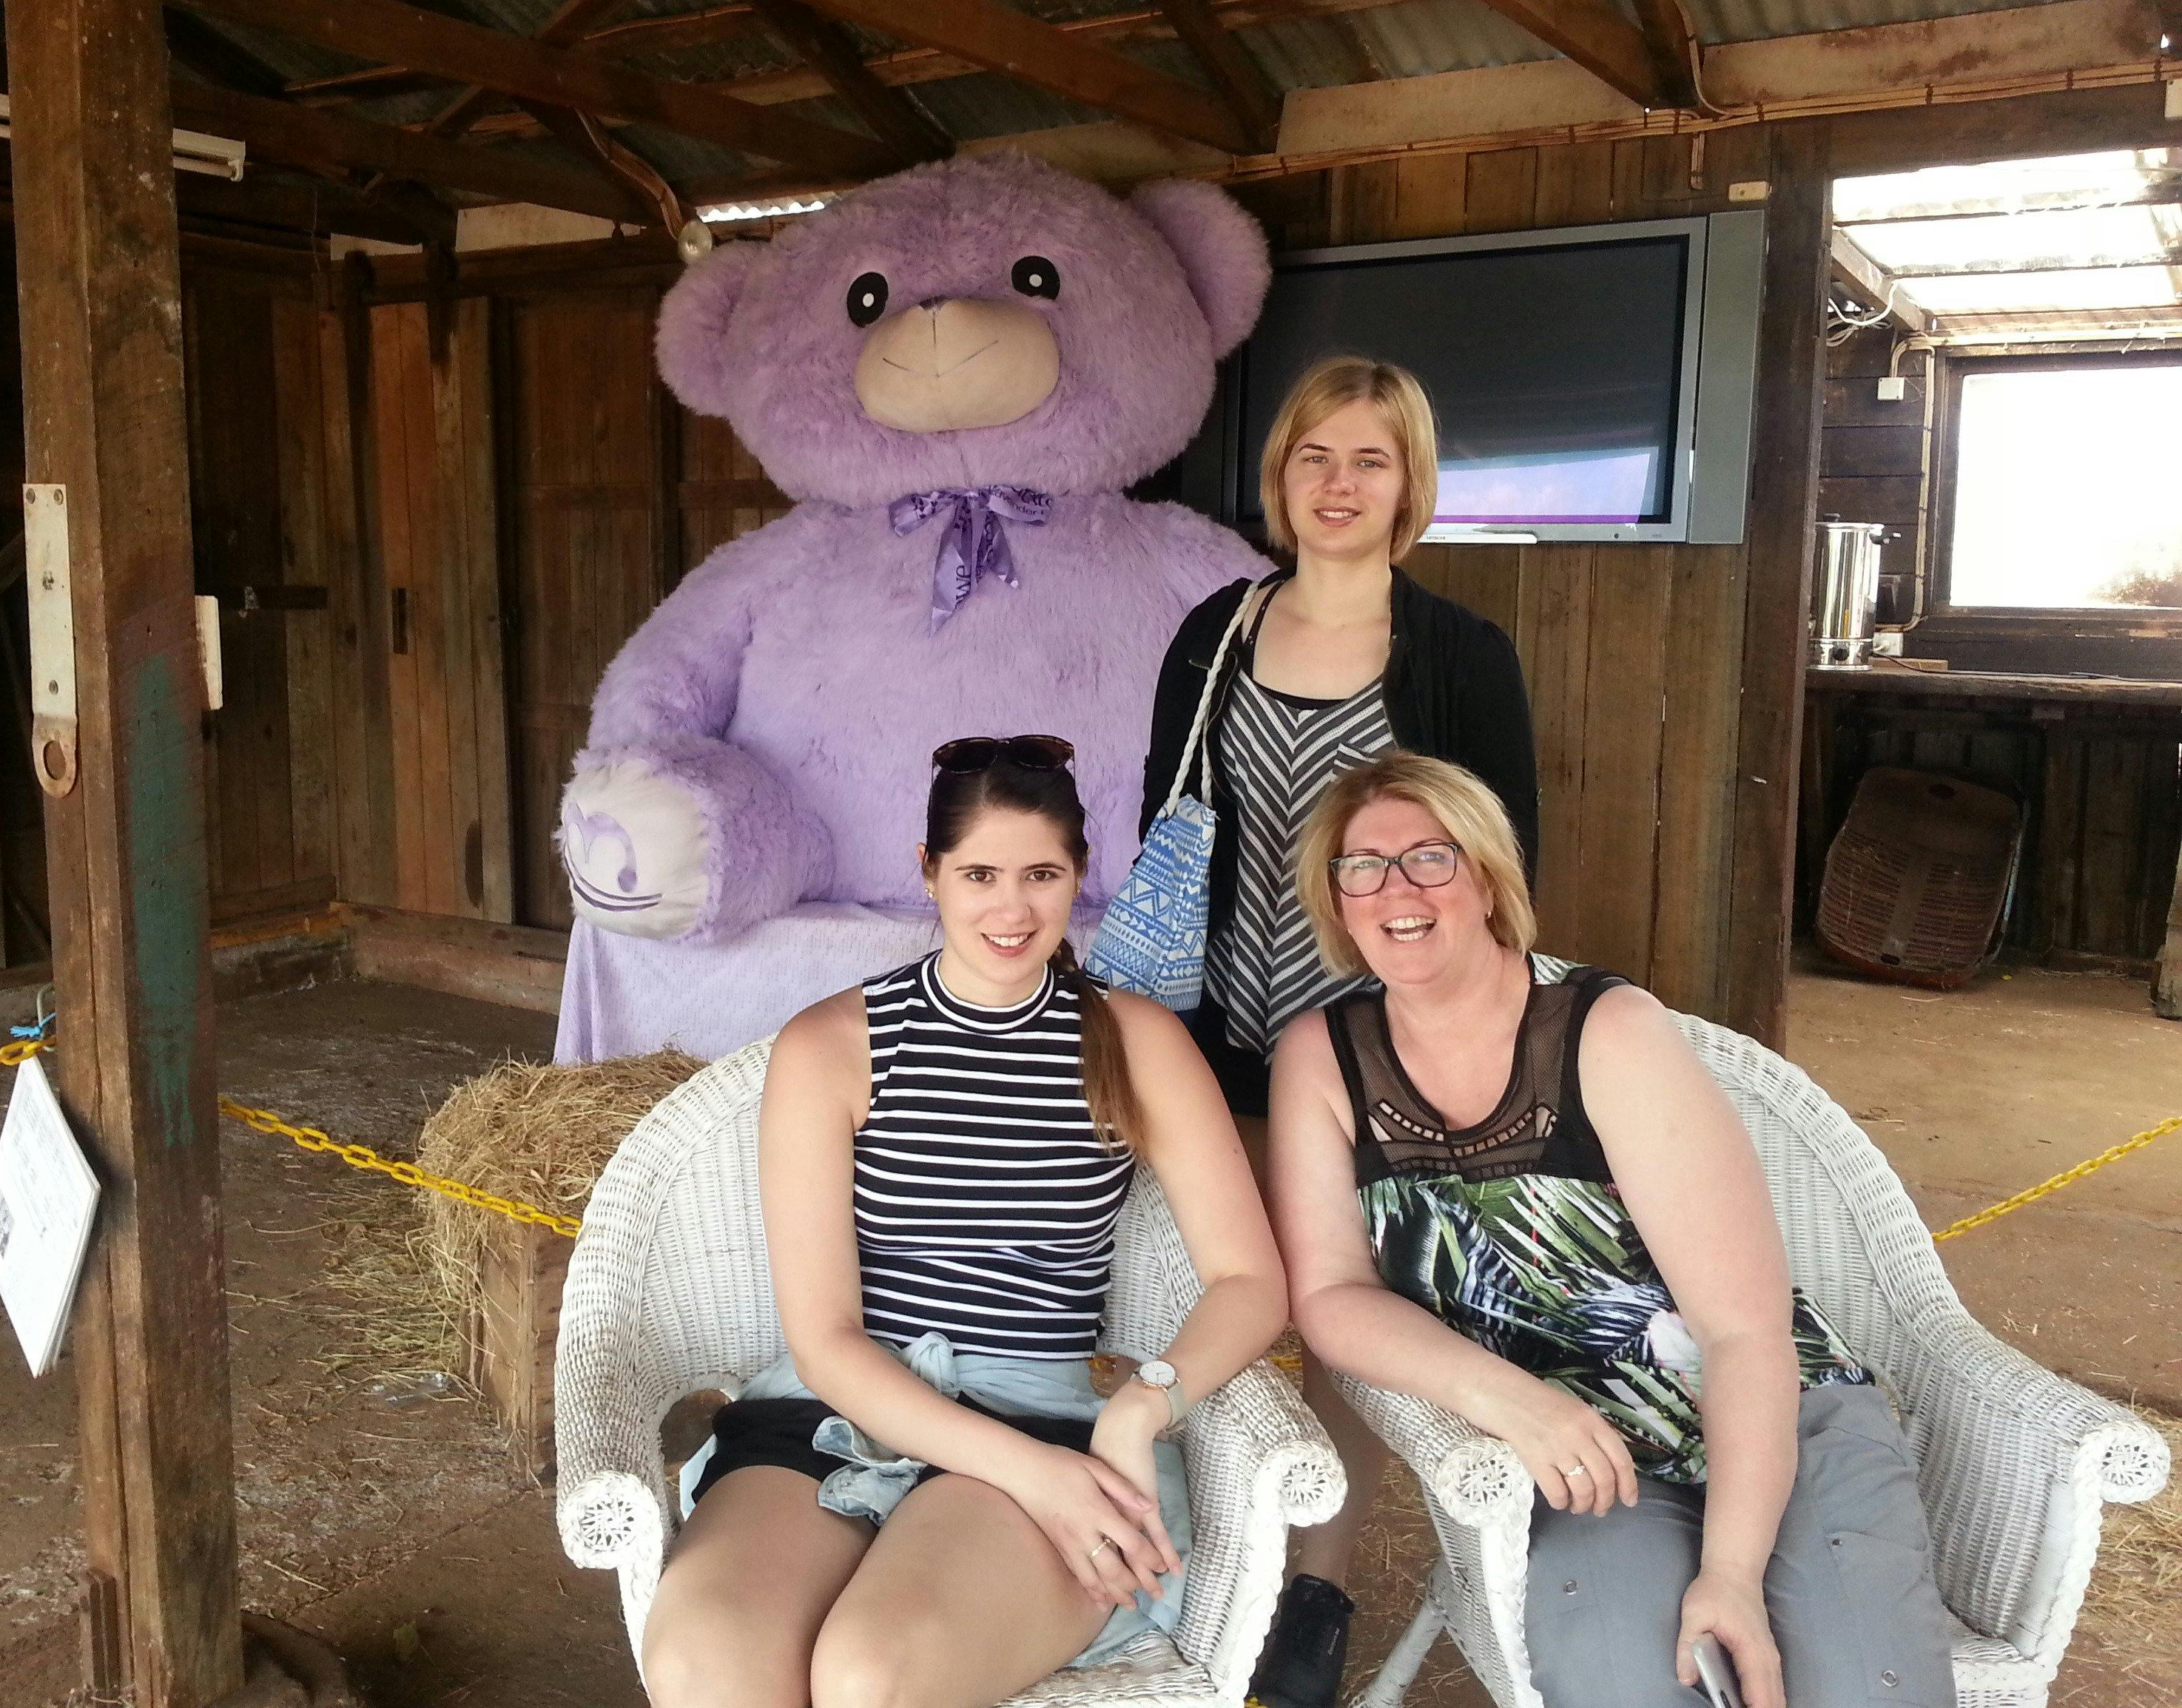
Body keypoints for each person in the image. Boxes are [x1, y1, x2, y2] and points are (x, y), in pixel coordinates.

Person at [1268, 752, 1960, 1708]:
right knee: (1621, 1683)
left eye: (1431, 857)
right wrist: (1514, 1401)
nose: (1396, 888)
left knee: (1858, 1688)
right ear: (1336, 900)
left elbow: (1743, 1331)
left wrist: (1731, 1575)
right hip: (1587, 1453)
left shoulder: (1605, 1031)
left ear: (1488, 879)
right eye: (1363, 867)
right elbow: (1332, 1298)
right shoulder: (1325, 1057)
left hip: (1773, 1418)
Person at [642, 735, 1287, 1708]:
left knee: (871, 1678)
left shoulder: (1134, 1043)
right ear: (929, 873)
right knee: (708, 1664)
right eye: (980, 872)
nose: (1011, 906)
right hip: (838, 1413)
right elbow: (823, 1339)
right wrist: (1026, 1472)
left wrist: (1142, 1407)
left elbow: (1250, 1281)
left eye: (1042, 873)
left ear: (1079, 878)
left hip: (1043, 1417)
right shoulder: (833, 1046)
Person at [1138, 355, 1538, 1706]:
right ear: (1282, 477)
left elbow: (1497, 868)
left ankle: (1315, 1590)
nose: (1339, 485)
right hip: (1212, 1038)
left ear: (1409, 484)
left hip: (1372, 1052)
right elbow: (1161, 837)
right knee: (1221, 1300)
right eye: (1315, 457)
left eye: (1369, 460)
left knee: (1343, 1310)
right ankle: (1212, 1556)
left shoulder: (1463, 657)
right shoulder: (1214, 634)